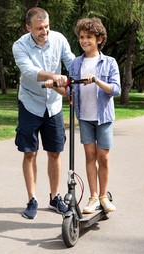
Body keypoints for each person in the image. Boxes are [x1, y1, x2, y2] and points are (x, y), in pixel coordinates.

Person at [45, 17, 121, 214]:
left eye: (88, 37)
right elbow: (71, 92)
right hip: (85, 117)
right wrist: (55, 87)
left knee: (103, 157)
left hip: (103, 117)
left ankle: (104, 197)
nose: (84, 41)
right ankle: (93, 197)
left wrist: (96, 80)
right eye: (81, 37)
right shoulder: (76, 64)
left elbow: (115, 90)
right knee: (89, 156)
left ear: (99, 39)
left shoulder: (109, 63)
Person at [12, 7, 75, 219]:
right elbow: (29, 72)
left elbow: (72, 62)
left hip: (54, 105)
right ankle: (32, 200)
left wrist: (80, 72)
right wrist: (55, 76)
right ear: (28, 27)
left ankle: (55, 197)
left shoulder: (59, 39)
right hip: (30, 103)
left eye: (47, 26)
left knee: (55, 152)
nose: (44, 31)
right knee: (30, 152)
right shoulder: (20, 46)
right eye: (39, 28)